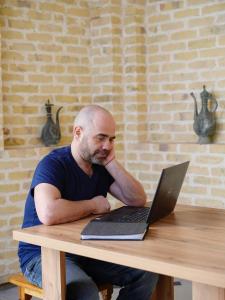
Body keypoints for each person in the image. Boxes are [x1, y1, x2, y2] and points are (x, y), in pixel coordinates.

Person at [18, 105, 158, 300]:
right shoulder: (53, 164)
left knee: (147, 271)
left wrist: (111, 162)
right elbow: (48, 213)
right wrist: (92, 205)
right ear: (78, 132)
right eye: (101, 138)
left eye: (111, 139)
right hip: (43, 255)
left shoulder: (99, 164)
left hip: (84, 250)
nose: (107, 145)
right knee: (84, 289)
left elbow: (136, 199)